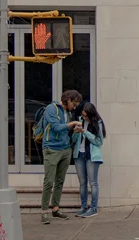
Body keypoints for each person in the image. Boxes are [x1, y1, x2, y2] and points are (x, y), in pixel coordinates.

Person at [41, 90, 83, 225]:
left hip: (65, 149)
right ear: (68, 100)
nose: (74, 108)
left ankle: (55, 208)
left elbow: (66, 131)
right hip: (51, 148)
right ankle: (44, 211)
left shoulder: (68, 113)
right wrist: (72, 123)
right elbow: (56, 127)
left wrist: (75, 131)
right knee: (49, 181)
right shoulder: (51, 108)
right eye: (74, 104)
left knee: (60, 180)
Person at [71, 102, 106, 218]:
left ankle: (94, 208)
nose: (84, 117)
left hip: (92, 156)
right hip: (79, 154)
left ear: (91, 114)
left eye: (86, 116)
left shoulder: (97, 123)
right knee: (82, 183)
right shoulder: (80, 121)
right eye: (83, 115)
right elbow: (74, 140)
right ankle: (83, 207)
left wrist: (84, 132)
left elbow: (99, 141)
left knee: (93, 183)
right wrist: (76, 132)